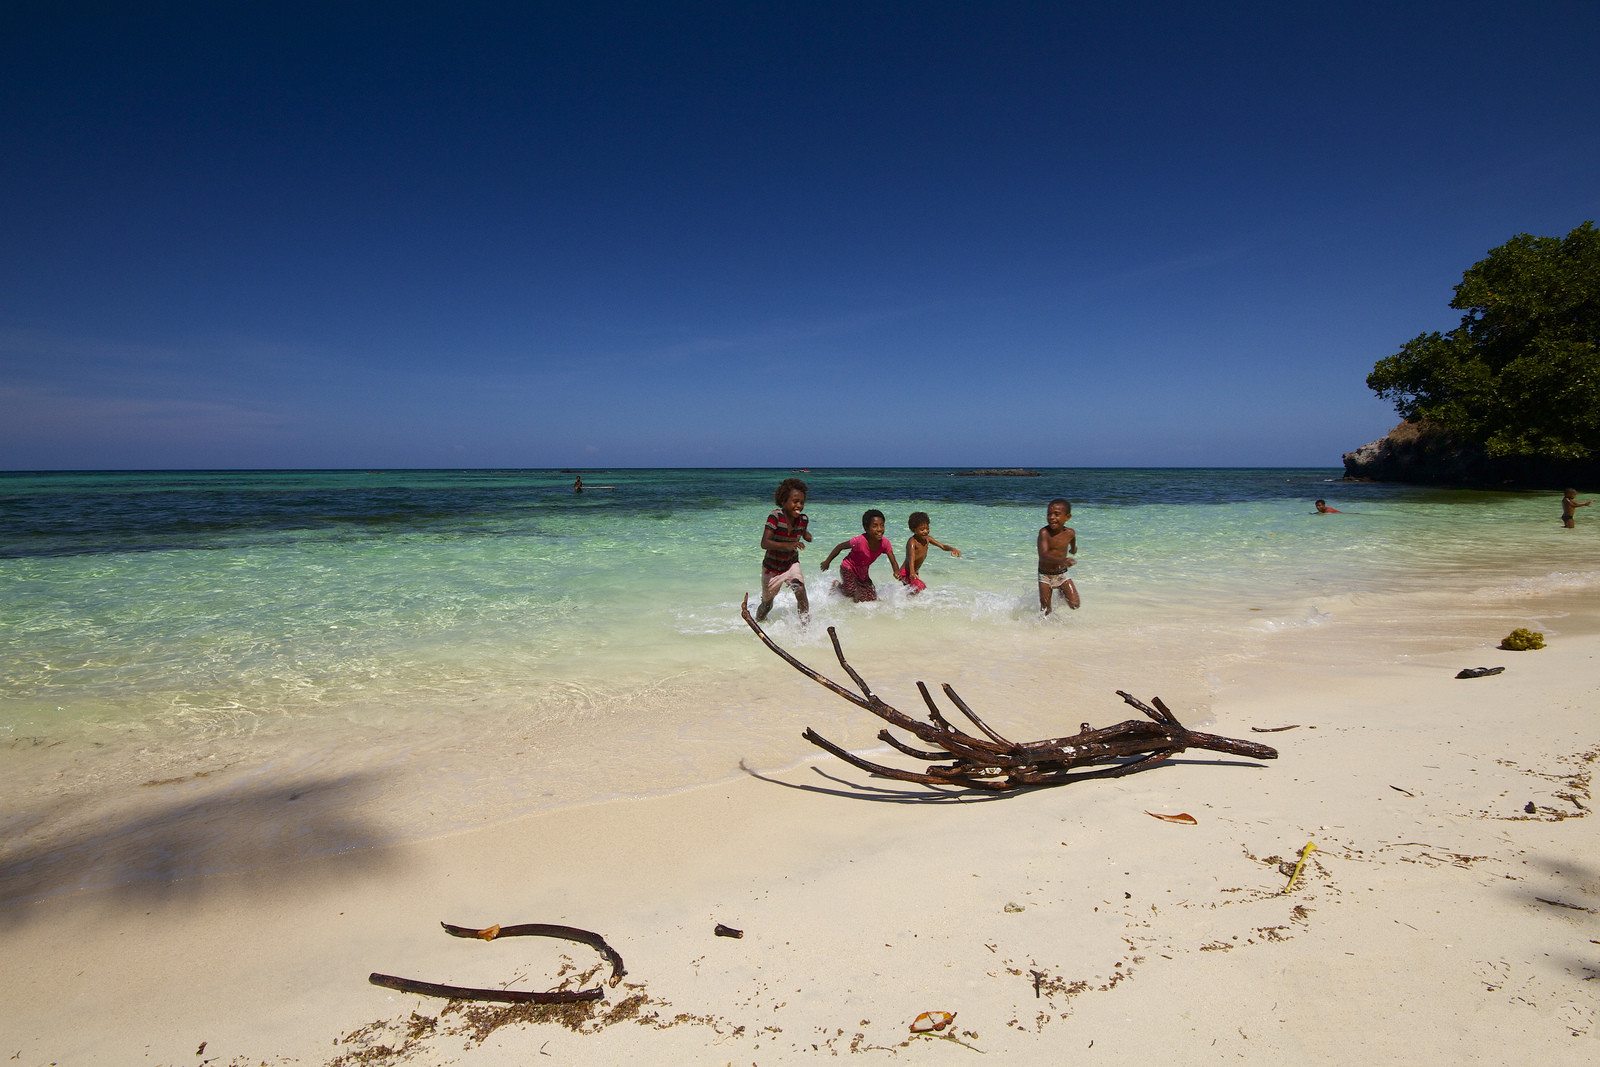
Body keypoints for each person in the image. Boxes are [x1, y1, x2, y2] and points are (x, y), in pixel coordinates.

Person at [756, 478, 813, 621]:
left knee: (800, 592)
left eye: (802, 502)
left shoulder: (803, 519)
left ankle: (805, 629)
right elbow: (765, 542)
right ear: (783, 501)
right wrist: (787, 545)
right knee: (767, 604)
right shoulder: (775, 517)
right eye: (795, 501)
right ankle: (758, 622)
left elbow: (803, 531)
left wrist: (807, 536)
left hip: (791, 564)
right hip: (772, 568)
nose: (799, 505)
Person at [821, 509, 901, 603]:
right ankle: (837, 586)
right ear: (866, 528)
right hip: (848, 567)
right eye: (875, 526)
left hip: (863, 572)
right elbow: (840, 546)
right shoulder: (859, 541)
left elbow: (893, 560)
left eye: (882, 525)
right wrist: (827, 562)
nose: (879, 529)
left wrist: (896, 571)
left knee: (871, 597)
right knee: (851, 591)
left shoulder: (885, 543)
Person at [898, 511, 960, 593]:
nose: (925, 531)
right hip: (906, 572)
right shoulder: (912, 542)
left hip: (914, 573)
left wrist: (952, 549)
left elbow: (942, 546)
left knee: (914, 592)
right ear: (913, 530)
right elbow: (911, 557)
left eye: (927, 528)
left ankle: (906, 604)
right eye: (922, 529)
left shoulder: (928, 539)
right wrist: (912, 572)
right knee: (921, 588)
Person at [1037, 498, 1079, 613]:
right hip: (1045, 575)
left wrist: (1073, 548)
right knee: (1046, 610)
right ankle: (1044, 630)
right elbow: (1043, 555)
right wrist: (1062, 561)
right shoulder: (1044, 533)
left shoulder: (1070, 533)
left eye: (1057, 514)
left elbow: (1072, 540)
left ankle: (1061, 589)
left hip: (1061, 573)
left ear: (1067, 517)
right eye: (1049, 514)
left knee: (1075, 604)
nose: (1051, 517)